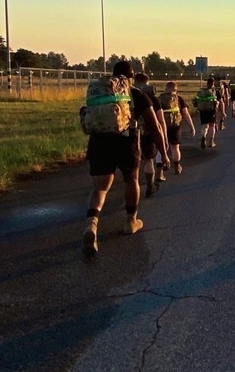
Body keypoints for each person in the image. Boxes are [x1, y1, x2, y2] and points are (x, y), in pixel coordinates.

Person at [82, 59, 167, 257]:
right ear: (131, 77)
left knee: (100, 188)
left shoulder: (101, 90)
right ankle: (131, 221)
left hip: (99, 142)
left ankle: (92, 225)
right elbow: (154, 127)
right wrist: (163, 152)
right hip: (126, 144)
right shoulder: (137, 94)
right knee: (131, 180)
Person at [133, 73, 169, 196]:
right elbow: (161, 121)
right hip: (147, 133)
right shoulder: (153, 98)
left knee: (134, 164)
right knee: (149, 160)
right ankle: (150, 185)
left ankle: (134, 186)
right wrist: (163, 139)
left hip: (130, 134)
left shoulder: (128, 95)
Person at [157, 80, 196, 175]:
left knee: (160, 148)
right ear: (176, 90)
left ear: (166, 88)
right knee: (175, 148)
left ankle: (160, 171)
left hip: (162, 127)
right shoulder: (178, 99)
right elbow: (185, 113)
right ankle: (177, 166)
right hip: (175, 126)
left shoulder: (158, 99)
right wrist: (192, 126)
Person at [195, 76, 223, 149]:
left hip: (203, 110)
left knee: (204, 125)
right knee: (212, 126)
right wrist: (222, 112)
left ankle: (203, 136)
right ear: (213, 83)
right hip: (211, 111)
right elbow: (221, 102)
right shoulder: (215, 92)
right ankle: (211, 142)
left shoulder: (202, 91)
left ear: (207, 83)